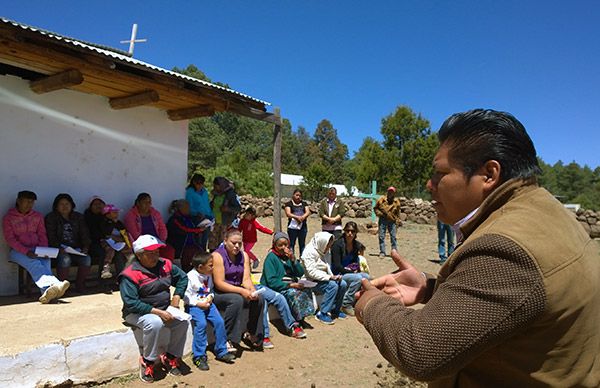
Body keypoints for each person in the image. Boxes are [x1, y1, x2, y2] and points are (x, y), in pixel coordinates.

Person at [355, 109, 600, 387]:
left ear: (489, 174)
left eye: (441, 173)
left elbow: (419, 351)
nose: (430, 184)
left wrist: (372, 304)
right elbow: (516, 303)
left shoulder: (504, 247)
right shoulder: (545, 213)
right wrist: (430, 288)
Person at [119, 234, 189, 383]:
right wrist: (158, 312)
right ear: (139, 255)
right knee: (155, 323)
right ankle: (148, 362)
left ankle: (170, 357)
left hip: (163, 309)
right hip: (136, 312)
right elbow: (131, 302)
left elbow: (182, 278)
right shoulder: (129, 275)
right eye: (150, 253)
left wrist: (177, 296)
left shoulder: (166, 265)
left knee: (182, 322)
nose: (155, 255)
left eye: (157, 251)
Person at [3, 190, 70, 303]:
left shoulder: (37, 216)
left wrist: (43, 250)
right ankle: (55, 283)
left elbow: (42, 234)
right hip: (17, 251)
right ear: (18, 201)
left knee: (45, 261)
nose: (29, 205)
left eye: (31, 202)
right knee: (34, 263)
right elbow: (10, 239)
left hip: (37, 249)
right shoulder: (9, 218)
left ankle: (46, 293)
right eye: (26, 202)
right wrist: (26, 251)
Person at [211, 229, 265, 352]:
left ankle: (252, 333)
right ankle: (228, 339)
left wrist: (251, 290)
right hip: (220, 293)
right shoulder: (217, 256)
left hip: (236, 290)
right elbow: (219, 283)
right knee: (236, 300)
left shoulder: (244, 255)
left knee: (259, 298)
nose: (236, 246)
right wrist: (241, 291)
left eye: (239, 244)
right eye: (233, 243)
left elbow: (246, 279)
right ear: (225, 241)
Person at [184, 252, 236, 371]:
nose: (213, 268)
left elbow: (210, 290)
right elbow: (186, 296)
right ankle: (199, 356)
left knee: (219, 322)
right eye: (210, 265)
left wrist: (210, 297)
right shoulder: (190, 277)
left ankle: (221, 351)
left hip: (208, 303)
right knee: (201, 324)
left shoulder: (208, 275)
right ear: (200, 267)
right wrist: (198, 303)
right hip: (195, 306)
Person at [257, 232, 309, 349]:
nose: (283, 248)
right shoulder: (271, 258)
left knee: (304, 291)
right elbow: (271, 281)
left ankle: (300, 319)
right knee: (292, 294)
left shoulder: (288, 256)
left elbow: (300, 273)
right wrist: (290, 285)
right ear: (274, 245)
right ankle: (292, 325)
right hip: (277, 287)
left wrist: (294, 260)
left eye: (286, 245)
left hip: (291, 283)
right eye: (280, 245)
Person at [45, 193, 92, 293]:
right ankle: (63, 287)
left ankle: (80, 284)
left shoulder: (78, 217)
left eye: (67, 204)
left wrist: (85, 246)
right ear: (56, 206)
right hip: (58, 250)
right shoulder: (51, 218)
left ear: (72, 205)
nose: (65, 206)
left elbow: (85, 233)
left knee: (86, 258)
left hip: (75, 249)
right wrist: (58, 247)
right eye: (61, 204)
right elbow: (50, 236)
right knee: (65, 259)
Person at [300, 232, 348, 325]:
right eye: (327, 246)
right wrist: (330, 277)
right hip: (310, 281)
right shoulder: (309, 252)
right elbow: (311, 273)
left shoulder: (321, 250)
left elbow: (326, 266)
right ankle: (322, 313)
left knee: (343, 284)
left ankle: (335, 309)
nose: (328, 249)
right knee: (332, 286)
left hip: (322, 278)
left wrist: (334, 277)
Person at [330, 222, 370, 316]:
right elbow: (337, 265)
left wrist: (355, 268)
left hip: (349, 272)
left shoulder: (356, 245)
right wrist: (351, 271)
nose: (350, 233)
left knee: (366, 277)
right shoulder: (337, 245)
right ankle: (346, 304)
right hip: (338, 273)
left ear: (356, 233)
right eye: (347, 231)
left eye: (352, 231)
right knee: (357, 278)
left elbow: (355, 262)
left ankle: (357, 301)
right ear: (344, 231)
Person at [124, 193, 174, 261]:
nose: (148, 204)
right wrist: (148, 243)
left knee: (169, 250)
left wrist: (162, 240)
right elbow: (134, 233)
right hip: (142, 243)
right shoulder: (130, 216)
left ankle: (166, 269)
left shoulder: (155, 213)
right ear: (138, 203)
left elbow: (162, 229)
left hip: (157, 241)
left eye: (149, 202)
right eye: (145, 202)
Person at [166, 199, 204, 272]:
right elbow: (185, 229)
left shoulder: (188, 217)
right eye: (187, 207)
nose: (189, 209)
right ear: (181, 208)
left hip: (192, 245)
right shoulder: (175, 219)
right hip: (180, 248)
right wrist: (198, 230)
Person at [98, 204, 131, 280]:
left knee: (128, 250)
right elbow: (106, 233)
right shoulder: (104, 222)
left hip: (118, 242)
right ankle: (106, 268)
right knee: (110, 251)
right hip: (107, 241)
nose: (117, 214)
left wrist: (122, 239)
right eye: (114, 212)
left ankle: (132, 268)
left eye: (117, 212)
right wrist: (112, 223)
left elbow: (124, 233)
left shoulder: (119, 223)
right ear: (107, 214)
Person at [208, 177, 241, 251]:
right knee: (212, 243)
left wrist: (227, 209)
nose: (215, 187)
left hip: (224, 222)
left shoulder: (230, 194)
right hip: (215, 222)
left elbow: (238, 208)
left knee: (222, 243)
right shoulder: (216, 193)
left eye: (217, 185)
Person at [185, 173, 213, 252]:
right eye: (198, 183)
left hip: (207, 217)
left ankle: (203, 254)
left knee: (205, 240)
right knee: (198, 239)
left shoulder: (204, 191)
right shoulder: (189, 192)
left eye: (202, 183)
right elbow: (189, 206)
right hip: (196, 218)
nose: (200, 185)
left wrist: (210, 214)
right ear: (194, 182)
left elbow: (206, 204)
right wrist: (196, 213)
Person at [373, 186, 401, 258]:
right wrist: (381, 214)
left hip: (392, 220)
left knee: (393, 236)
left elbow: (398, 212)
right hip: (383, 219)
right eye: (389, 191)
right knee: (381, 236)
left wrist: (398, 220)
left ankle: (394, 252)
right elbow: (376, 208)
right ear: (387, 192)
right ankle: (382, 252)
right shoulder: (381, 200)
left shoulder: (396, 202)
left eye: (392, 192)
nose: (390, 193)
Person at [284, 189, 311, 257]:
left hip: (303, 227)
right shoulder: (288, 204)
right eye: (297, 195)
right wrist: (296, 217)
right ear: (293, 195)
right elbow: (288, 213)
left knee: (302, 244)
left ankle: (302, 258)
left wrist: (302, 217)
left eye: (300, 195)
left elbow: (308, 212)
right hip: (292, 227)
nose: (298, 197)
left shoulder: (304, 203)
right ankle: (291, 258)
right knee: (291, 243)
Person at [83, 196, 106, 265]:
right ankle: (102, 274)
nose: (98, 206)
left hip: (107, 242)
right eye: (95, 204)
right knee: (103, 252)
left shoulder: (107, 216)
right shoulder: (87, 217)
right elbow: (90, 234)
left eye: (100, 204)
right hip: (92, 243)